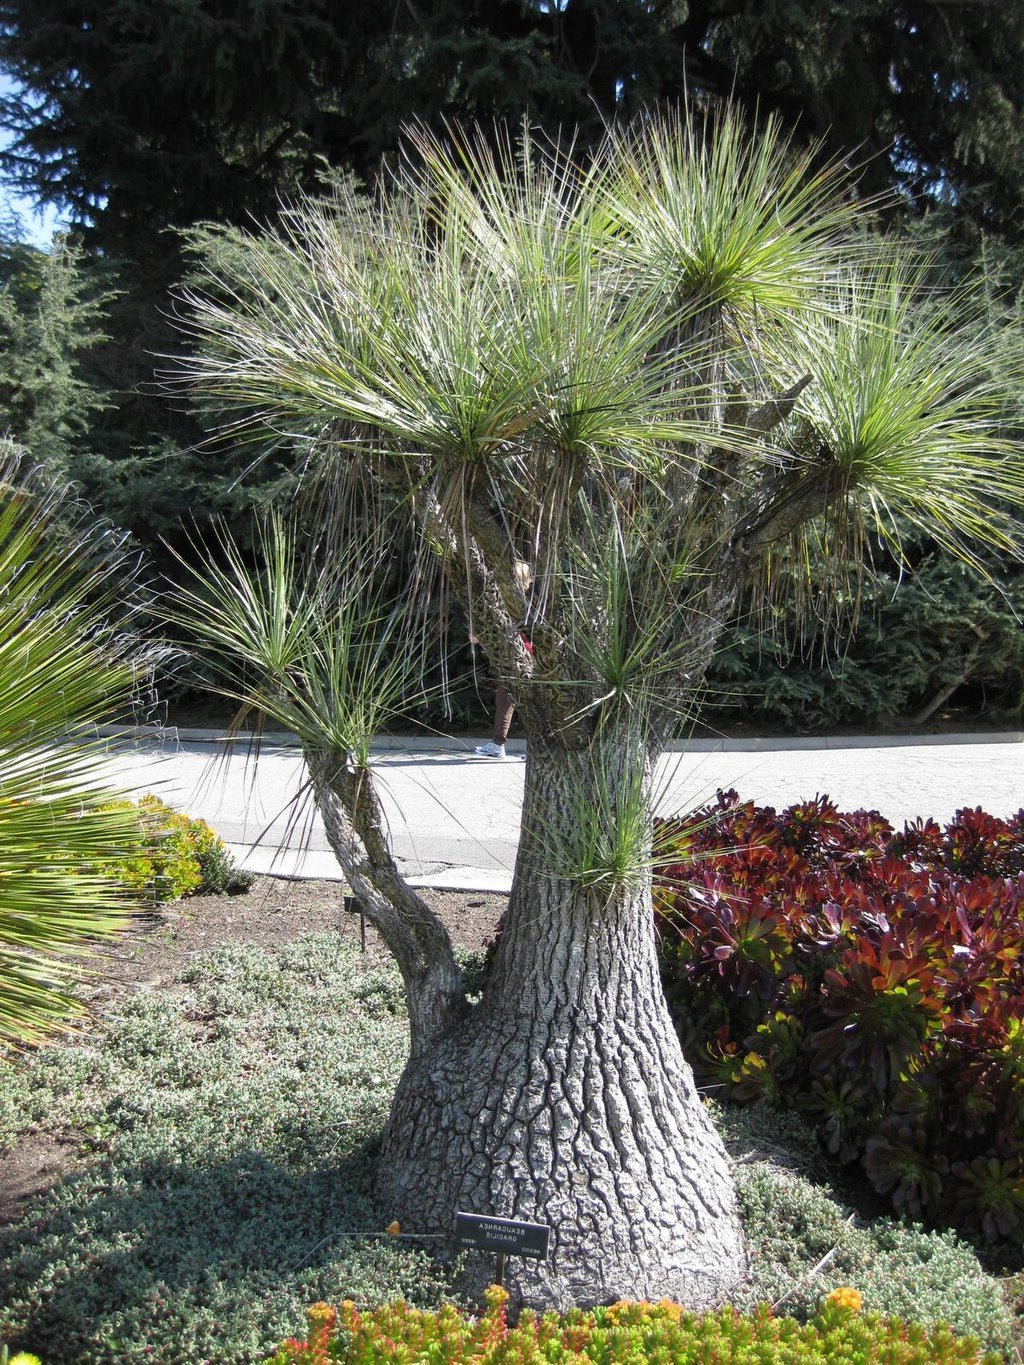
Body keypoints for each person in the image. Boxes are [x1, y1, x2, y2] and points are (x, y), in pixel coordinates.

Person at [469, 560, 532, 759]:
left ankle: (499, 743)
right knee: (511, 700)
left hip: (517, 656)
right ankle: (500, 743)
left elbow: (504, 628)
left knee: (512, 700)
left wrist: (481, 636)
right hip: (526, 654)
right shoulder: (524, 600)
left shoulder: (511, 602)